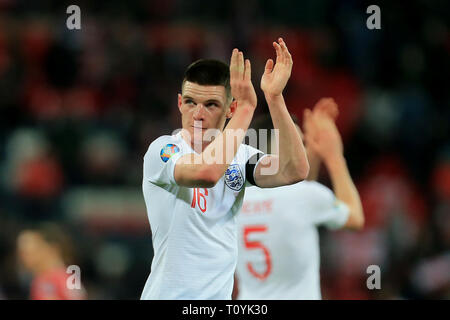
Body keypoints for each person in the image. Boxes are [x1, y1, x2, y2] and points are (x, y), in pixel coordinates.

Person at [140, 38, 309, 299]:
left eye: (210, 104)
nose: (197, 114)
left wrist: (274, 98)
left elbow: (294, 170)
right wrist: (247, 108)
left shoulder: (240, 157)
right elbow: (206, 173)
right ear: (178, 103)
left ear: (229, 108)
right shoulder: (163, 150)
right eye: (189, 102)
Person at [234, 98, 364, 300]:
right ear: (282, 149)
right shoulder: (307, 196)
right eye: (300, 143)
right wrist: (334, 156)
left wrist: (314, 155)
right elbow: (355, 218)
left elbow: (292, 191)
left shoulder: (235, 197)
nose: (304, 149)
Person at [16, 223, 87, 300]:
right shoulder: (64, 276)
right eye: (21, 253)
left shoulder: (52, 280)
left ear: (51, 248)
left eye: (29, 252)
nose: (23, 258)